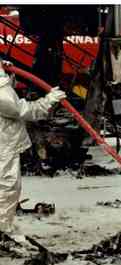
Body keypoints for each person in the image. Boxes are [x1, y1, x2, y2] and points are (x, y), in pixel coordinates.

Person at [0, 59, 66, 235]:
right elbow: (21, 110)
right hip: (3, 145)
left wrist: (5, 74)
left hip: (4, 142)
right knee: (7, 187)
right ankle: (2, 231)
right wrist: (48, 101)